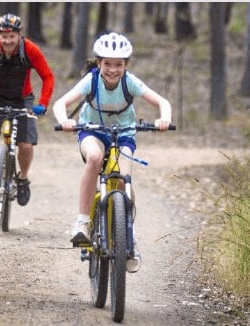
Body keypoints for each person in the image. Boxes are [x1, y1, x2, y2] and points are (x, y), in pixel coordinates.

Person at [52, 32, 172, 273]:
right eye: (107, 63)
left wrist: (164, 119)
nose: (113, 70)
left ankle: (128, 238)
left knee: (123, 180)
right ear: (99, 63)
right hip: (92, 132)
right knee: (95, 158)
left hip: (124, 134)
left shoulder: (131, 82)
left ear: (126, 65)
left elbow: (162, 102)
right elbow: (60, 103)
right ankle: (83, 222)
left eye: (119, 64)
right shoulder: (91, 81)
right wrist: (65, 120)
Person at [0, 13, 54, 206]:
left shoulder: (30, 49)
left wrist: (42, 104)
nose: (8, 40)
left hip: (23, 99)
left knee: (26, 145)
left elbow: (48, 77)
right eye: (4, 36)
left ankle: (22, 180)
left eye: (12, 36)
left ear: (19, 36)